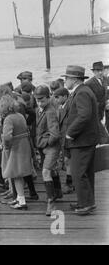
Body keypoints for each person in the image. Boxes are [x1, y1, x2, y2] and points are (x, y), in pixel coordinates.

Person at [62, 65, 100, 215]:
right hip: (86, 140)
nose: (65, 81)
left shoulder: (82, 93)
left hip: (81, 140)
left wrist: (70, 133)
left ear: (74, 79)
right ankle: (85, 202)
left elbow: (84, 115)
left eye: (67, 78)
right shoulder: (81, 91)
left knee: (78, 173)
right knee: (86, 173)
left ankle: (86, 205)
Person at [0, 95, 33, 210]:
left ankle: (21, 201)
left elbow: (7, 137)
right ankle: (18, 199)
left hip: (15, 149)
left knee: (16, 175)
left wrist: (5, 147)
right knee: (19, 174)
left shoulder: (8, 119)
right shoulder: (20, 115)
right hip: (24, 146)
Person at [34, 85, 62, 216]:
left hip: (50, 147)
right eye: (37, 100)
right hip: (42, 146)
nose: (39, 102)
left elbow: (55, 134)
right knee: (52, 169)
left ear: (48, 97)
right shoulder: (40, 109)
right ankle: (57, 191)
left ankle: (51, 203)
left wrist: (45, 143)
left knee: (45, 172)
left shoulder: (50, 111)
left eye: (42, 99)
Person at [53, 87, 74, 194]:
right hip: (64, 138)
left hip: (69, 138)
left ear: (65, 96)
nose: (55, 99)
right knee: (67, 160)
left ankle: (69, 183)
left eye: (57, 97)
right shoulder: (61, 107)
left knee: (68, 160)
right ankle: (70, 182)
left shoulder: (69, 106)